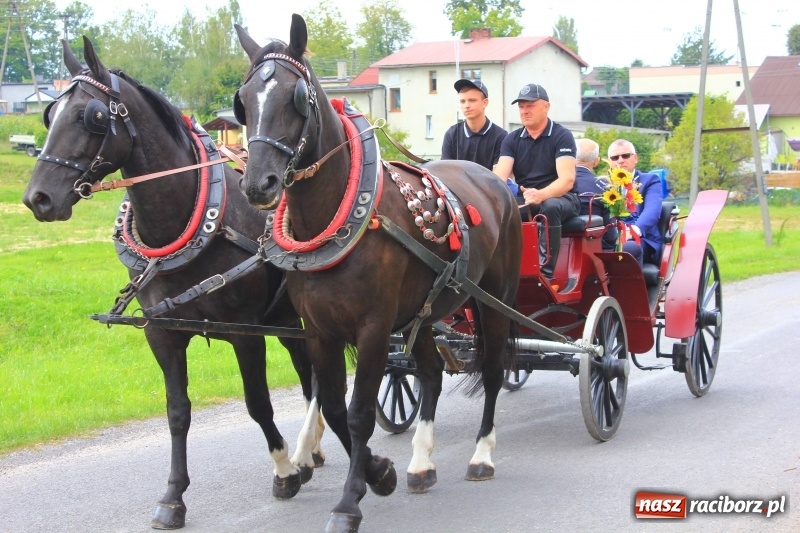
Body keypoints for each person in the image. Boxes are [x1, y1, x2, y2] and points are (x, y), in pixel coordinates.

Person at [493, 83, 580, 281]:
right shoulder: (511, 139)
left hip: (563, 198)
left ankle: (544, 272)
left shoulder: (562, 136)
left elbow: (567, 180)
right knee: (499, 208)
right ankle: (500, 270)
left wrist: (541, 194)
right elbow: (499, 177)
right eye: (521, 106)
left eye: (530, 105)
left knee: (549, 207)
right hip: (527, 197)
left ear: (546, 106)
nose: (524, 111)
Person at [607, 139, 664, 266]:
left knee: (627, 248)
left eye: (625, 155)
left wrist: (631, 232)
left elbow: (652, 211)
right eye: (615, 157)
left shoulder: (650, 180)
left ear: (635, 158)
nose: (620, 160)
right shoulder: (604, 184)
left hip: (641, 238)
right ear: (610, 162)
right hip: (610, 237)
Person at [441, 79, 507, 171]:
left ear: (485, 103)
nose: (466, 106)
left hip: (488, 185)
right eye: (462, 101)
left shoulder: (501, 137)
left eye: (472, 100)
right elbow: (446, 172)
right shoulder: (451, 134)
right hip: (456, 185)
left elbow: (498, 178)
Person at [574, 138, 618, 252]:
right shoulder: (605, 186)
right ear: (596, 161)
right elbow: (611, 233)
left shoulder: (554, 184)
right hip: (596, 249)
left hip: (555, 249)